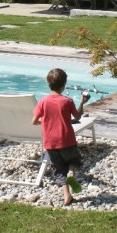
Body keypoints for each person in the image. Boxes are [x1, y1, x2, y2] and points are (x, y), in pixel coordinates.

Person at [32, 68, 90, 206]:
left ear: (48, 84)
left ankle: (67, 196)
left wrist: (45, 122)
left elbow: (34, 121)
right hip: (67, 140)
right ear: (64, 85)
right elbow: (77, 116)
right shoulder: (67, 101)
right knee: (75, 162)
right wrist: (82, 102)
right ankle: (71, 174)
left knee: (59, 169)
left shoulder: (43, 101)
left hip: (50, 143)